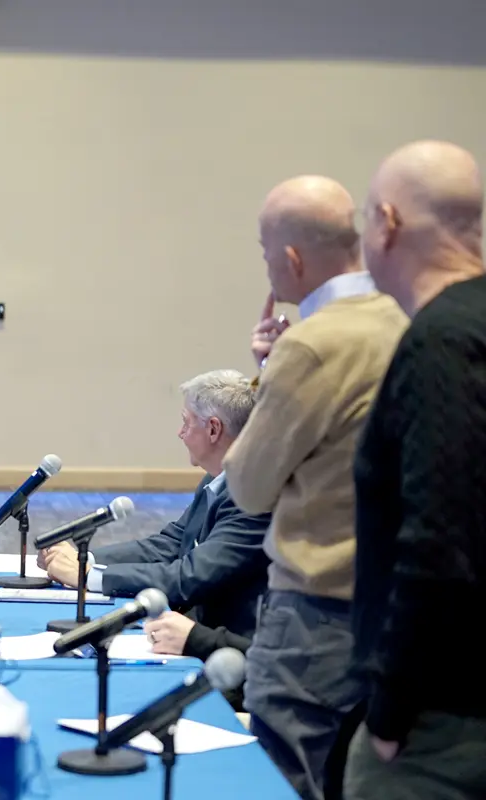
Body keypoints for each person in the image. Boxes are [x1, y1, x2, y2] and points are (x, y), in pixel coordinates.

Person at [222, 175, 409, 800]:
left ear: (292, 258)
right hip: (392, 610)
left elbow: (247, 485)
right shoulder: (407, 320)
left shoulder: (312, 344)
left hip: (314, 616)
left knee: (286, 779)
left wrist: (269, 379)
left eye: (263, 250)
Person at [343, 140, 486, 800]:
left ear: (388, 224)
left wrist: (391, 708)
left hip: (441, 719)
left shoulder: (441, 343)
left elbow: (437, 541)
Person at [38, 370, 272, 675]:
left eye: (186, 422)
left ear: (214, 429)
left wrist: (90, 576)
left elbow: (189, 576)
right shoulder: (216, 479)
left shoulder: (251, 496)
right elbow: (172, 543)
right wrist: (87, 559)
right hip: (197, 638)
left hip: (232, 662)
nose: (180, 433)